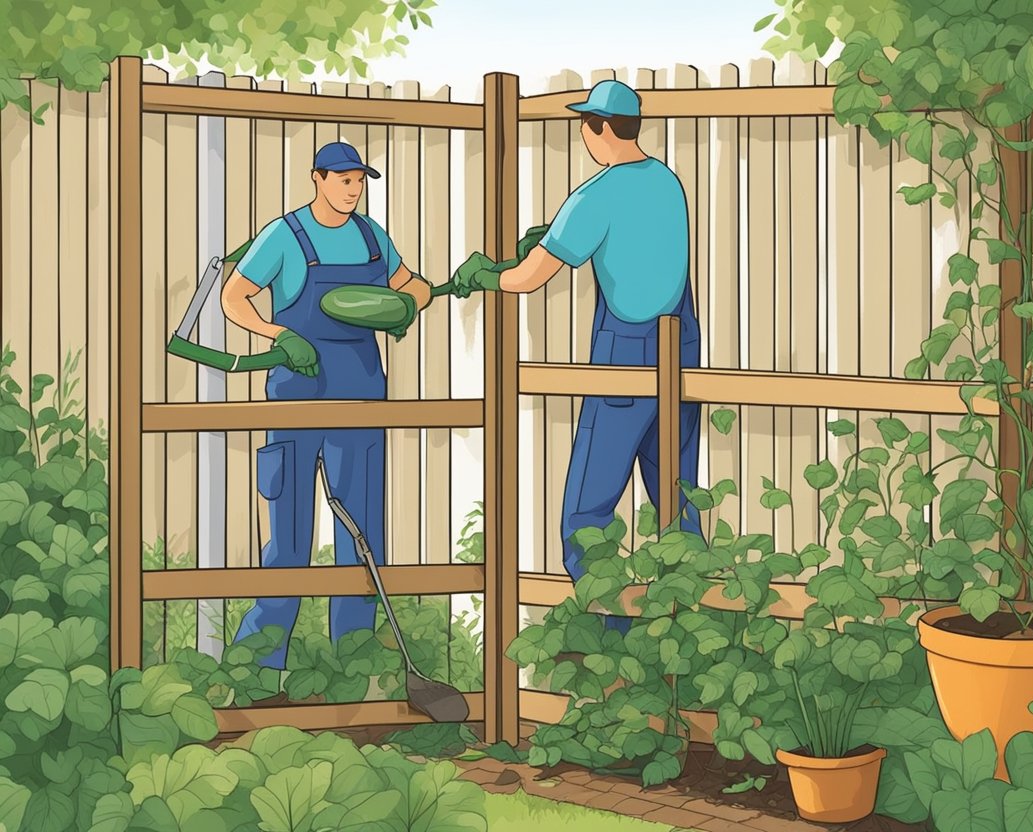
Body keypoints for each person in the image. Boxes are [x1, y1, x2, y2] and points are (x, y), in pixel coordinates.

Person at [450, 80, 704, 630]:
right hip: (681, 346)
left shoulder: (595, 196)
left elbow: (527, 278)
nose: (584, 136)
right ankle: (696, 628)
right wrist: (555, 235)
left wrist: (485, 275)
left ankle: (611, 640)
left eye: (586, 126)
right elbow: (635, 243)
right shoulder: (667, 182)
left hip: (626, 351)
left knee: (586, 515)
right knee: (677, 501)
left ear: (601, 129)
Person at [220, 141, 432, 676]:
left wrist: (408, 303)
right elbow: (233, 296)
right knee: (288, 531)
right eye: (344, 180)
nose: (354, 189)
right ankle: (259, 669)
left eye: (359, 181)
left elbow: (413, 286)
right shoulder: (285, 235)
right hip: (297, 390)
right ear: (317, 179)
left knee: (362, 529)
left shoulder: (371, 236)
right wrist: (277, 334)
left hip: (361, 393)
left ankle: (353, 665)